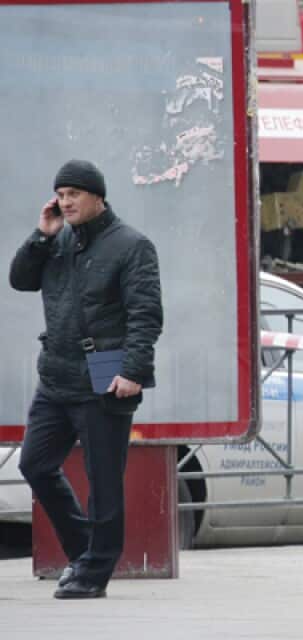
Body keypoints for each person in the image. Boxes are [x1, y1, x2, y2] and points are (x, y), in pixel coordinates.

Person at [10, 160, 163, 600]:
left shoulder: (132, 245)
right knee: (34, 464)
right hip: (56, 374)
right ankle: (82, 551)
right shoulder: (57, 239)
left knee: (104, 481)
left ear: (98, 197)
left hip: (105, 373)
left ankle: (94, 572)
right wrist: (42, 235)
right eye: (60, 194)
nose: (66, 201)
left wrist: (133, 371)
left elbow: (145, 314)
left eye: (74, 194)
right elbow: (20, 280)